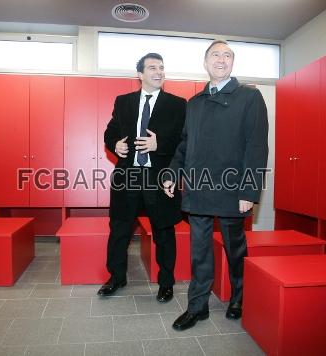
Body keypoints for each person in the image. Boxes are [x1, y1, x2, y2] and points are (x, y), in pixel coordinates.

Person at [163, 40, 269, 330]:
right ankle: (197, 307)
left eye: (227, 55)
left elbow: (256, 147)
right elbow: (185, 145)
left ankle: (240, 297)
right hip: (198, 190)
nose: (221, 60)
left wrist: (249, 190)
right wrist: (173, 173)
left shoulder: (249, 97)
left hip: (233, 191)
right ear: (205, 62)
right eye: (215, 55)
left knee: (235, 248)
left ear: (232, 62)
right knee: (199, 251)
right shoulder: (195, 103)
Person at [99, 53, 186, 302]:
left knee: (164, 233)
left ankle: (166, 282)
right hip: (127, 175)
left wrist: (160, 144)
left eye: (161, 67)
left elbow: (185, 141)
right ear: (140, 74)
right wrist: (116, 144)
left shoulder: (178, 104)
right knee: (119, 230)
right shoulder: (123, 101)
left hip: (159, 178)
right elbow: (110, 131)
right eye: (152, 68)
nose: (158, 72)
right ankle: (116, 278)